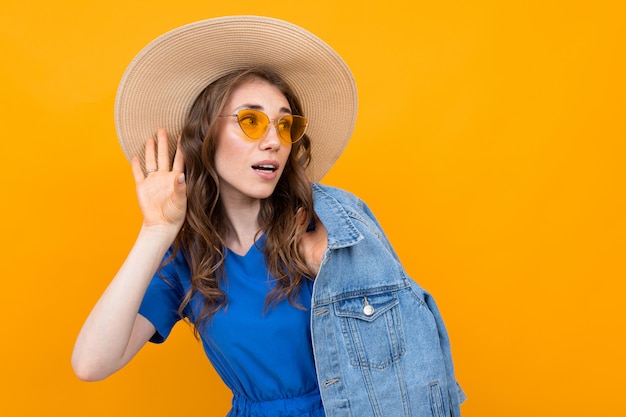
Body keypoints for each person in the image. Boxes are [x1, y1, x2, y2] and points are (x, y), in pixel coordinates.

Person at [72, 16, 466, 417]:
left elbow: (415, 356)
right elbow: (91, 364)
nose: (274, 141)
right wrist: (155, 232)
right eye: (251, 120)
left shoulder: (332, 222)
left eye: (284, 124)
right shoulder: (188, 260)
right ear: (205, 135)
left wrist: (333, 273)